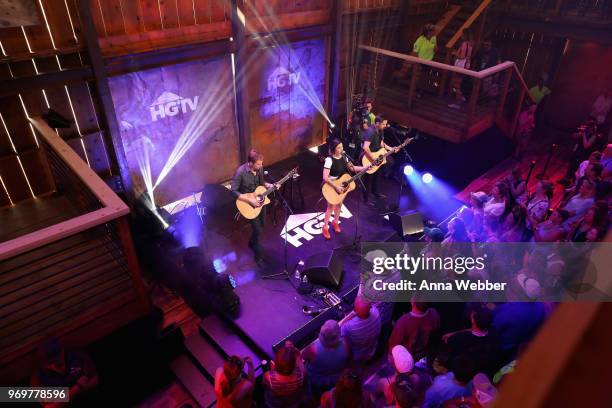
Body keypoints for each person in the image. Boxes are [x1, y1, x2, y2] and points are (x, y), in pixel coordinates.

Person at [231, 149, 278, 264]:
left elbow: (261, 184)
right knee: (257, 230)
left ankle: (252, 242)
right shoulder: (240, 172)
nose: (261, 166)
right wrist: (249, 200)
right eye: (258, 164)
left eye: (261, 163)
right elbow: (233, 191)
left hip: (260, 202)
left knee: (261, 226)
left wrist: (270, 185)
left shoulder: (260, 169)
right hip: (248, 205)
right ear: (251, 163)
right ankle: (258, 257)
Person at [31, 338, 98, 407]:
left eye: (57, 359)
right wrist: (77, 387)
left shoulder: (76, 356)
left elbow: (95, 379)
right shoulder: (39, 375)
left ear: (62, 351)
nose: (54, 365)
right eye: (50, 362)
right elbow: (48, 406)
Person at [322, 138, 365, 240]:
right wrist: (336, 186)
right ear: (333, 149)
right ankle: (325, 227)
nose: (341, 149)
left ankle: (335, 222)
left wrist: (364, 168)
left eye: (342, 147)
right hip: (331, 186)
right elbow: (325, 177)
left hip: (341, 185)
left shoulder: (344, 157)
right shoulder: (329, 160)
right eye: (338, 147)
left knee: (340, 204)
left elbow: (352, 168)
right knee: (331, 207)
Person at [443, 305, 498, 377]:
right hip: (479, 373)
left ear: (472, 320)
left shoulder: (459, 338)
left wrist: (452, 335)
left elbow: (447, 341)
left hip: (459, 371)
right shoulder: (493, 334)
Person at [303, 319, 350, 395]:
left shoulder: (313, 349)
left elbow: (303, 356)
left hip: (317, 381)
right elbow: (348, 360)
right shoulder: (345, 344)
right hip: (336, 378)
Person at [362, 115, 399, 204]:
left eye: (386, 124)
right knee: (368, 179)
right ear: (377, 123)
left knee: (377, 176)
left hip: (377, 157)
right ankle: (366, 199)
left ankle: (376, 193)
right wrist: (373, 159)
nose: (385, 126)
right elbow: (365, 147)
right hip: (369, 158)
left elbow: (382, 144)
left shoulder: (380, 131)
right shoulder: (370, 131)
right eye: (383, 124)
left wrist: (391, 149)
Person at [263, 341, 305, 408]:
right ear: (294, 365)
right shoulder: (300, 375)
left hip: (275, 402)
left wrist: (273, 369)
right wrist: (292, 350)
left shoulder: (270, 376)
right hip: (292, 401)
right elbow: (299, 358)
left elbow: (265, 383)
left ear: (276, 363)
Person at [340, 296, 381, 363]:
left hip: (357, 354)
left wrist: (349, 316)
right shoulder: (376, 312)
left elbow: (337, 327)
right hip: (371, 349)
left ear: (355, 310)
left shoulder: (350, 326)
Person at [448, 29, 474, 109]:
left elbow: (462, 56)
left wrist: (455, 53)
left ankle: (458, 103)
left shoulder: (464, 44)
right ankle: (461, 98)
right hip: (466, 66)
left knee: (457, 84)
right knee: (459, 83)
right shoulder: (470, 44)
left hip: (461, 66)